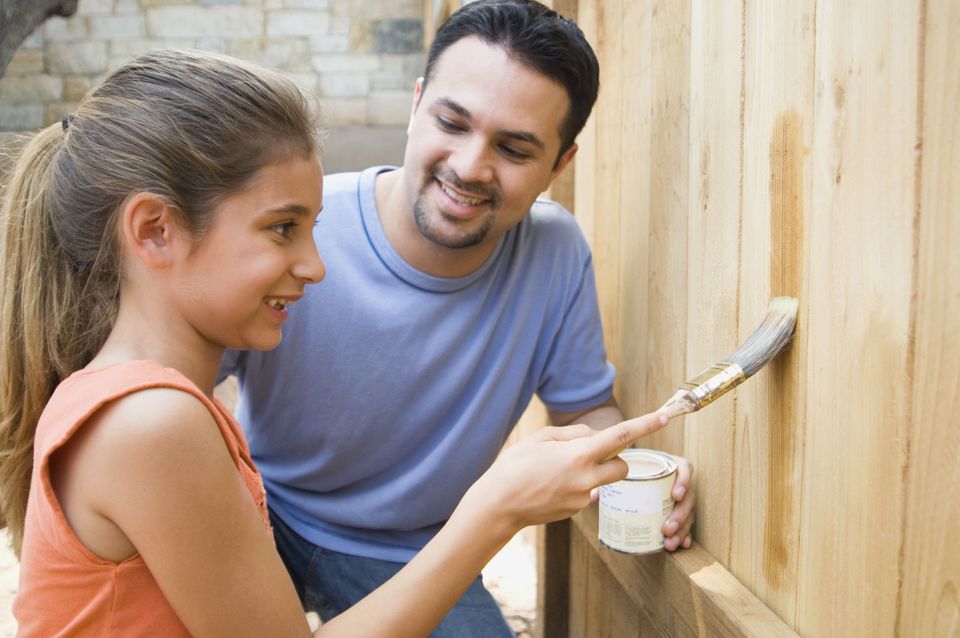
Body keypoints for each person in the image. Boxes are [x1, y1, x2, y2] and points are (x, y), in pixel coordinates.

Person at [0, 48, 670, 637]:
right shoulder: (153, 424)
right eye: (283, 229)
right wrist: (494, 511)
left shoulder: (147, 402)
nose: (317, 267)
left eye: (515, 146)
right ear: (154, 231)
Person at [219, 0, 696, 635]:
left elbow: (587, 412)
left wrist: (633, 470)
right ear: (417, 106)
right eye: (452, 122)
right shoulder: (303, 223)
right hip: (259, 513)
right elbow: (177, 380)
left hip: (414, 550)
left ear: (559, 164)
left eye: (515, 148)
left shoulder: (556, 252)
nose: (471, 166)